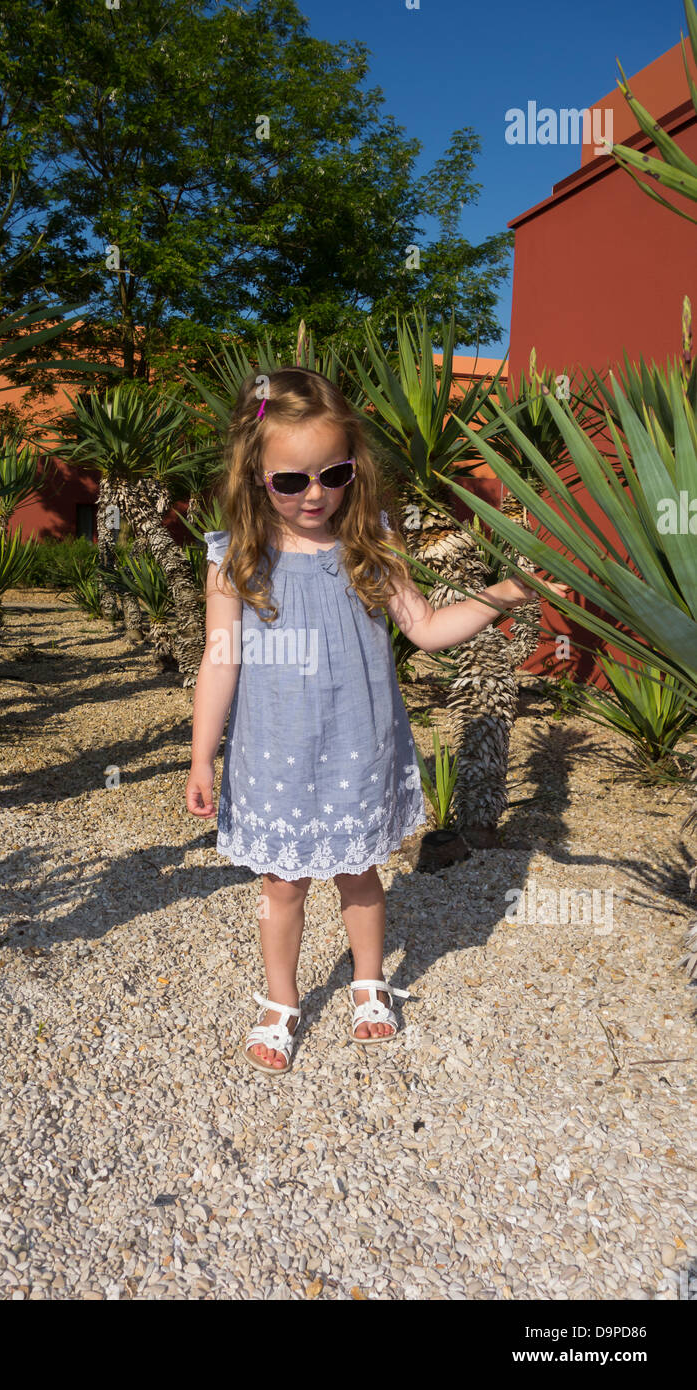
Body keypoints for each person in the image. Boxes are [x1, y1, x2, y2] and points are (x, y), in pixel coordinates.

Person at [185, 366, 568, 1076]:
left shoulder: (372, 547)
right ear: (254, 474)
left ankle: (368, 982)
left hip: (358, 748)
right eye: (291, 481)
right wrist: (202, 754)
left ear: (353, 467)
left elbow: (425, 629)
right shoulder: (236, 560)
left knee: (361, 874)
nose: (316, 495)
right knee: (281, 886)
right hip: (275, 754)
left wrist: (508, 591)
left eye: (333, 474)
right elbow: (219, 662)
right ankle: (281, 999)